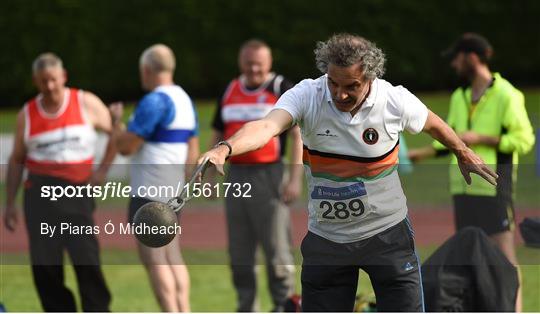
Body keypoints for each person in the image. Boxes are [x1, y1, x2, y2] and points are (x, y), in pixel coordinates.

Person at [198, 33, 499, 312]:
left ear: (371, 76)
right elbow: (266, 126)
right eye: (334, 83)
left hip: (387, 234)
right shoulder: (307, 94)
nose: (340, 94)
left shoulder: (394, 100)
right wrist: (225, 147)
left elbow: (433, 123)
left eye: (351, 86)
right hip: (327, 239)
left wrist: (462, 151)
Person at [408, 32, 535, 311]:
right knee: (469, 254)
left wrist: (480, 138)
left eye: (457, 57)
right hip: (462, 189)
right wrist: (419, 154)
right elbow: (450, 139)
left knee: (504, 258)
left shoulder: (507, 95)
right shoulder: (459, 96)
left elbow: (524, 139)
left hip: (493, 187)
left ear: (472, 57)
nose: (454, 64)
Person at [3, 52, 115, 311]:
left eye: (53, 79)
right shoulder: (28, 114)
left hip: (77, 194)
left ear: (63, 76)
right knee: (46, 266)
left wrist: (101, 172)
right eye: (44, 81)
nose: (50, 86)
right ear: (36, 82)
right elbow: (17, 159)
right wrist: (10, 203)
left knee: (87, 260)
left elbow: (116, 133)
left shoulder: (84, 102)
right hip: (40, 197)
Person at [209, 39, 303, 312]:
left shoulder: (280, 88)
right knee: (239, 254)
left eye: (259, 64)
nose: (253, 69)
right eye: (249, 63)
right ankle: (246, 307)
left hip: (269, 176)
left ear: (269, 63)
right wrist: (211, 175)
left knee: (277, 251)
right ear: (241, 62)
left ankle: (285, 306)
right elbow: (218, 132)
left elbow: (297, 136)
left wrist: (294, 177)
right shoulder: (230, 90)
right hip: (236, 175)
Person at [111, 44, 198, 312]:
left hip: (149, 192)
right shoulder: (184, 98)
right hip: (174, 191)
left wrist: (115, 123)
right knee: (173, 256)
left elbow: (126, 147)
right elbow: (192, 145)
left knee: (154, 260)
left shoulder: (155, 101)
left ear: (146, 70)